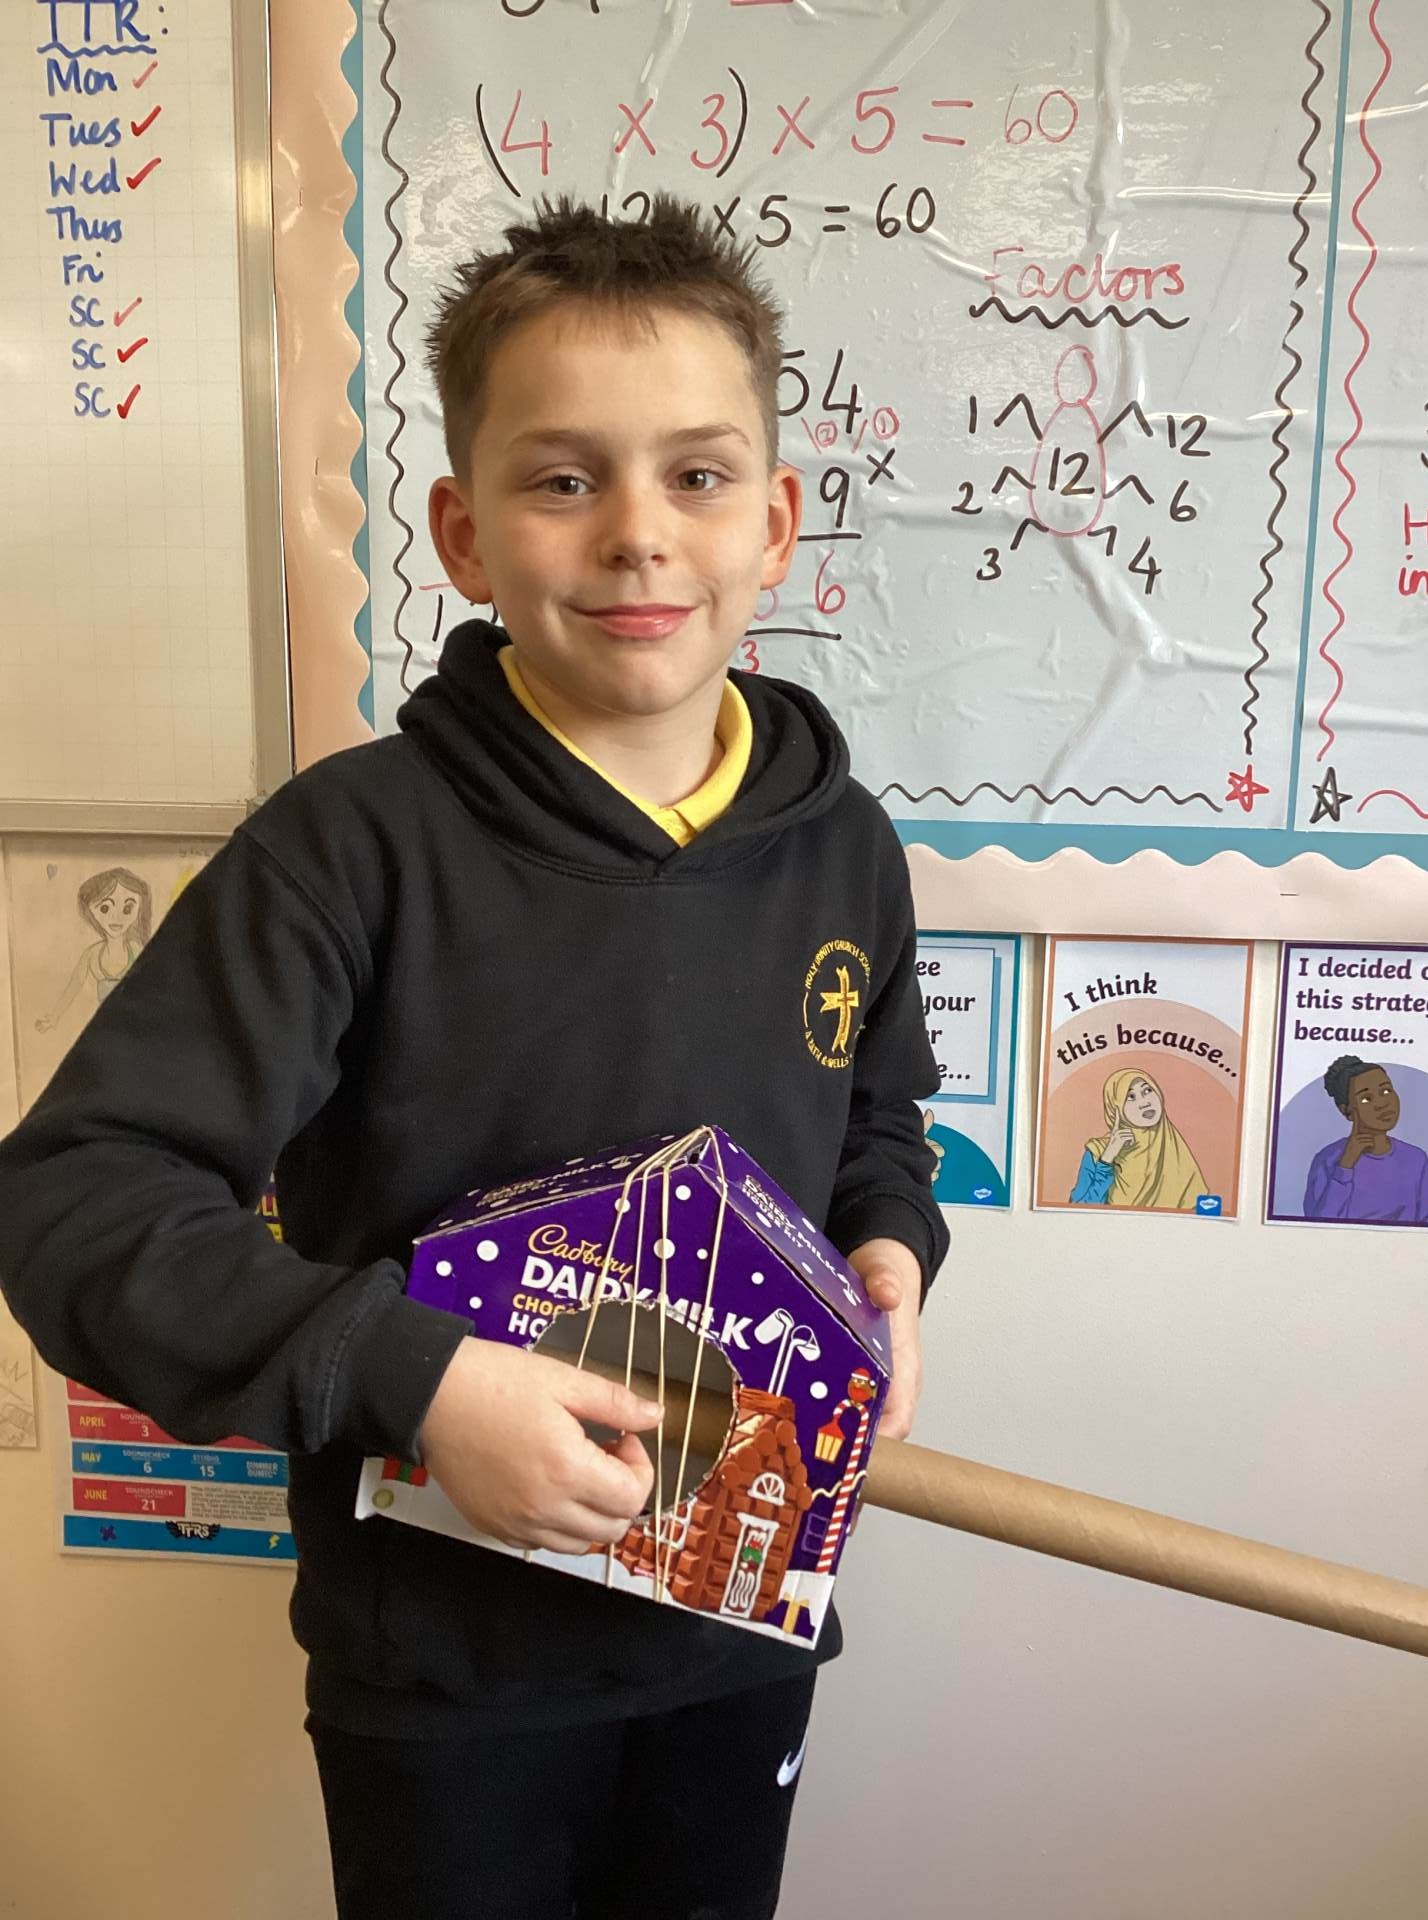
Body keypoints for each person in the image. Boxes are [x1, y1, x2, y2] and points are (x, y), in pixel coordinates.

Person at [0, 196, 948, 1920]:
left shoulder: (846, 849)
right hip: (445, 1677)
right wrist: (423, 1379)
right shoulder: (347, 852)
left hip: (743, 1623)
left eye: (698, 475)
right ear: (461, 531)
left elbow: (878, 1120)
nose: (639, 536)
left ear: (775, 521)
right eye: (564, 479)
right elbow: (76, 1200)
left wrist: (890, 1245)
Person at [1303, 1055, 1428, 1225]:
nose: (1382, 1103)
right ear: (1346, 1110)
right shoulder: (1328, 1159)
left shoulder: (1416, 1159)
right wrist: (1345, 1167)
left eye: (1386, 1091)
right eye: (1366, 1098)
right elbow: (1315, 1225)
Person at [1069, 1067, 1207, 1209]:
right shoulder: (1098, 1151)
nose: (1145, 1103)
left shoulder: (1173, 1146)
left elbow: (1201, 1208)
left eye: (1147, 1091)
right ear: (1116, 1109)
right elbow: (1077, 1209)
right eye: (1131, 1097)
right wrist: (1107, 1159)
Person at [33, 866, 151, 1032]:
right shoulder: (92, 955)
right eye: (105, 908)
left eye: (127, 908)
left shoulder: (137, 950)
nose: (116, 917)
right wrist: (53, 1018)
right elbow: (73, 988)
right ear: (90, 910)